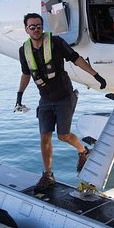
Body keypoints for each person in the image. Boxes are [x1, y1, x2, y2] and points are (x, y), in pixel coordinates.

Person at [16, 12, 107, 192]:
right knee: (44, 137)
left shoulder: (56, 43)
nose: (36, 29)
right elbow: (26, 74)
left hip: (65, 96)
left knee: (63, 135)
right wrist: (19, 95)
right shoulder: (23, 50)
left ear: (43, 27)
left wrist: (96, 75)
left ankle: (83, 152)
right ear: (26, 29)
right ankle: (48, 175)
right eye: (32, 27)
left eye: (39, 26)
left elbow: (76, 58)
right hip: (45, 99)